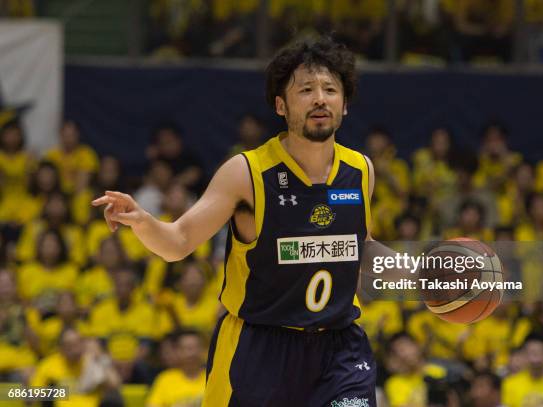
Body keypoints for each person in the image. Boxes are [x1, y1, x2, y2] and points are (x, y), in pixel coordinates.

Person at [93, 37, 377, 406]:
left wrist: (436, 273)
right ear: (281, 105)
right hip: (260, 351)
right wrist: (144, 221)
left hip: (338, 350)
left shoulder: (360, 169)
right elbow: (178, 242)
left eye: (330, 89)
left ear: (345, 104)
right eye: (306, 89)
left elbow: (364, 254)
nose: (320, 98)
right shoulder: (246, 173)